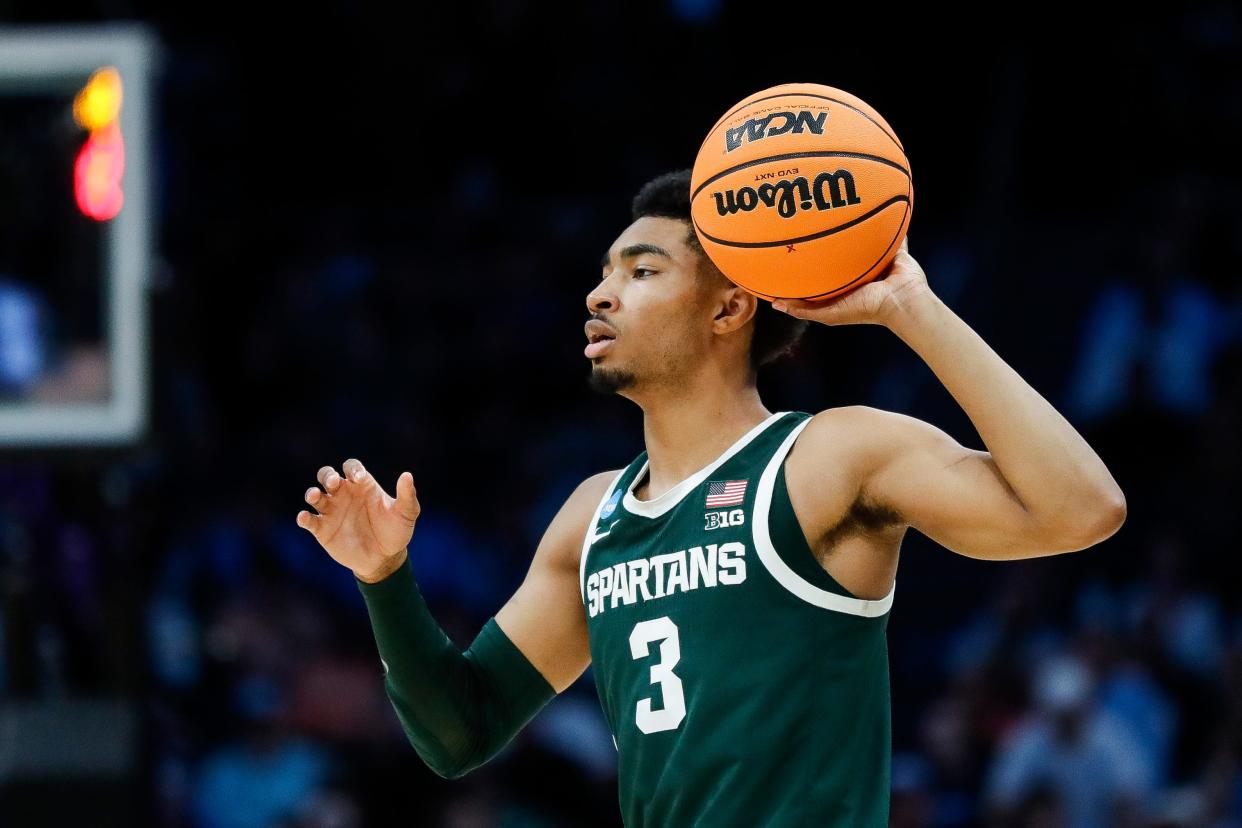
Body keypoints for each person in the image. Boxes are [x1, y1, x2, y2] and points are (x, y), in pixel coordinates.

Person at [295, 168, 1128, 827]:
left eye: (641, 269)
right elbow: (459, 731)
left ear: (730, 306)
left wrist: (910, 306)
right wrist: (384, 578)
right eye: (603, 273)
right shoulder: (593, 516)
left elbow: (1082, 508)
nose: (600, 294)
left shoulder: (828, 458)